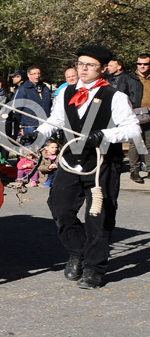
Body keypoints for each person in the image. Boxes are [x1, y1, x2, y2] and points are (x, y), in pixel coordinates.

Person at [24, 45, 141, 289]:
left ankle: (94, 268)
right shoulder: (66, 94)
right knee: (60, 208)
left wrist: (103, 135)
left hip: (102, 164)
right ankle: (77, 252)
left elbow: (133, 129)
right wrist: (37, 134)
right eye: (80, 64)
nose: (83, 68)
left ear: (102, 69)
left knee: (99, 216)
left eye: (90, 65)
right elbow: (55, 121)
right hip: (70, 162)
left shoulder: (115, 96)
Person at [127, 54, 150, 183]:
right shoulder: (130, 78)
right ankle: (134, 171)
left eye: (145, 64)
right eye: (139, 63)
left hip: (149, 115)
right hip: (134, 115)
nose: (142, 66)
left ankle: (149, 169)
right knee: (135, 144)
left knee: (149, 143)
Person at [11, 66, 52, 138]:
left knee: (47, 146)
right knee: (31, 146)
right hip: (30, 125)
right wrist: (23, 122)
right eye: (34, 74)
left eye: (38, 73)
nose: (37, 76)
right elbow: (16, 108)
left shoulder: (45, 88)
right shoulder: (23, 89)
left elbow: (50, 105)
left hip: (45, 123)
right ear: (28, 75)